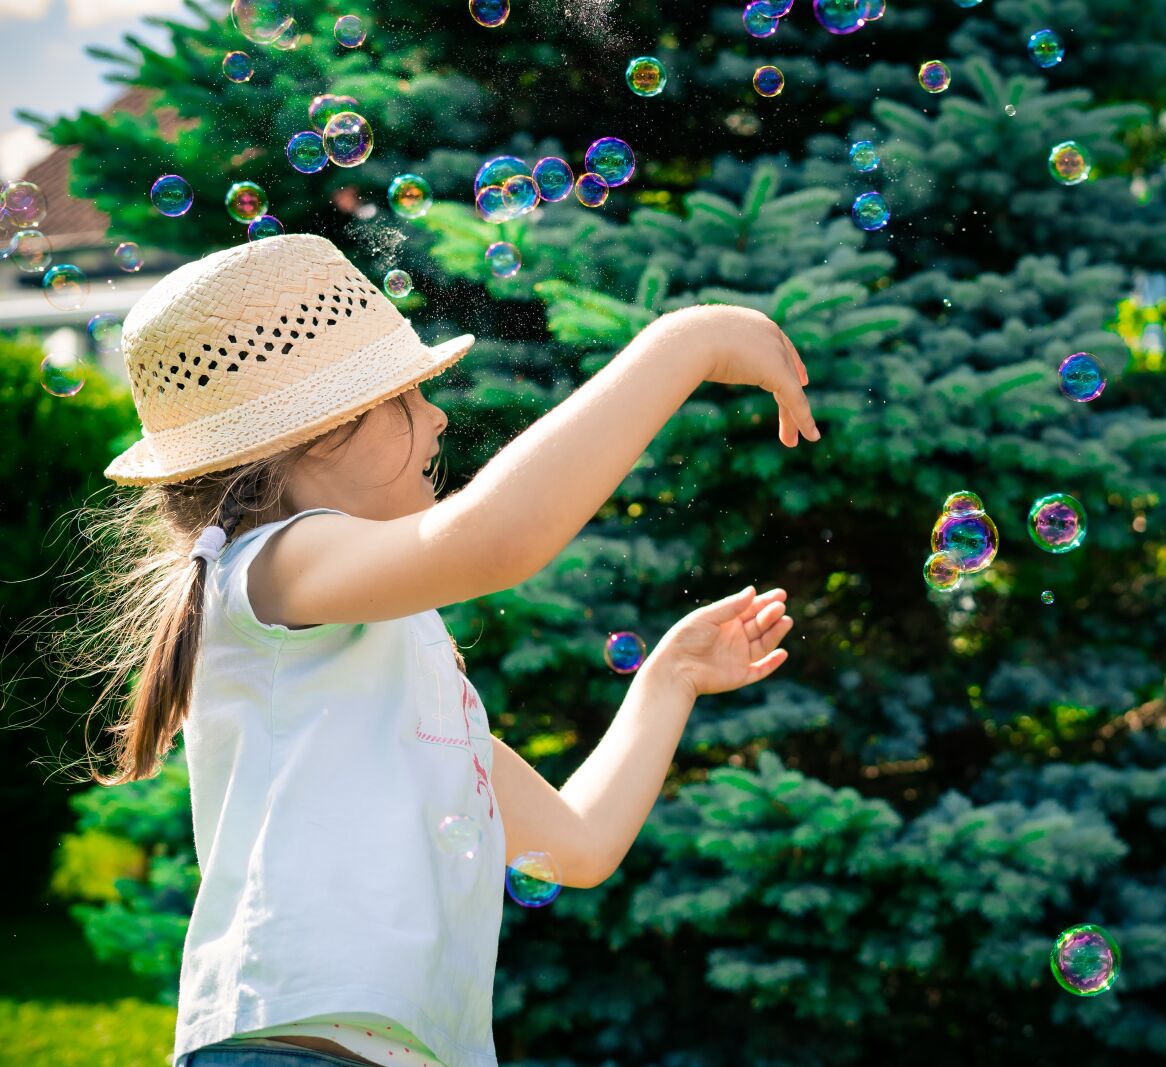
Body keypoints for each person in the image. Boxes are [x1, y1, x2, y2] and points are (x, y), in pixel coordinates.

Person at [91, 234, 820, 1067]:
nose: (437, 415)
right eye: (405, 394)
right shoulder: (265, 566)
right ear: (319, 433)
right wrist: (686, 342)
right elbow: (497, 537)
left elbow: (574, 846)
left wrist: (672, 678)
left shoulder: (389, 655)